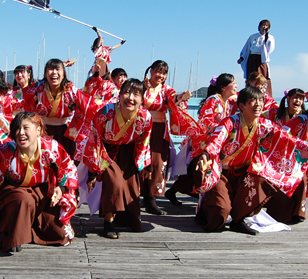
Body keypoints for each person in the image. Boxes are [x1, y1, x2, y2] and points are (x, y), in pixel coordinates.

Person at [194, 87, 308, 234]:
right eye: (253, 100)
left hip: (246, 173)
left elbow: (290, 140)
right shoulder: (230, 123)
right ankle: (207, 208)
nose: (258, 104)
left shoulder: (264, 125)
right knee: (220, 214)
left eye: (260, 100)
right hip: (223, 174)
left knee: (264, 180)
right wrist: (206, 155)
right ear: (242, 105)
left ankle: (239, 220)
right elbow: (215, 142)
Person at [0, 112, 78, 253]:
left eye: (26, 128)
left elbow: (68, 167)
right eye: (17, 129)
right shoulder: (6, 150)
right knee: (23, 200)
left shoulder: (52, 148)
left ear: (38, 129)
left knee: (60, 235)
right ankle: (14, 237)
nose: (21, 133)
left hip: (43, 193)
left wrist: (61, 189)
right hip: (14, 192)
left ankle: (28, 230)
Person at [83, 79, 152, 238]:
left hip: (129, 152)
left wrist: (145, 164)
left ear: (142, 99)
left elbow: (144, 140)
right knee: (115, 184)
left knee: (131, 188)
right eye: (127, 92)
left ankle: (123, 218)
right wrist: (93, 171)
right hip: (107, 151)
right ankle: (108, 222)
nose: (131, 98)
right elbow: (94, 139)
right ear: (120, 95)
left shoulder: (145, 117)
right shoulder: (105, 113)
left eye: (136, 94)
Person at [166, 73, 238, 205]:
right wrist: (221, 128)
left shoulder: (226, 102)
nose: (236, 86)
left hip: (214, 140)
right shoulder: (214, 100)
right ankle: (205, 199)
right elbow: (205, 121)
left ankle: (176, 191)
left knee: (194, 170)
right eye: (233, 83)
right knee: (201, 168)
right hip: (205, 140)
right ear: (223, 87)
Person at [140, 60, 193, 215]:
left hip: (159, 129)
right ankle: (136, 195)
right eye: (158, 71)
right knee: (140, 161)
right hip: (141, 129)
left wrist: (181, 97)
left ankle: (152, 199)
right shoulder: (141, 87)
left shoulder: (166, 90)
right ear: (151, 71)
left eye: (164, 73)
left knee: (158, 163)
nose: (161, 75)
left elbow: (173, 99)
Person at [238, 19, 275, 96]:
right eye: (263, 25)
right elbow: (246, 48)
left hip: (261, 59)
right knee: (251, 76)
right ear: (259, 27)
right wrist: (242, 58)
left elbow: (269, 48)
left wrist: (267, 35)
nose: (264, 27)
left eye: (266, 26)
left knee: (263, 77)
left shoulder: (270, 38)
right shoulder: (252, 37)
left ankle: (264, 94)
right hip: (252, 58)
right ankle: (249, 93)